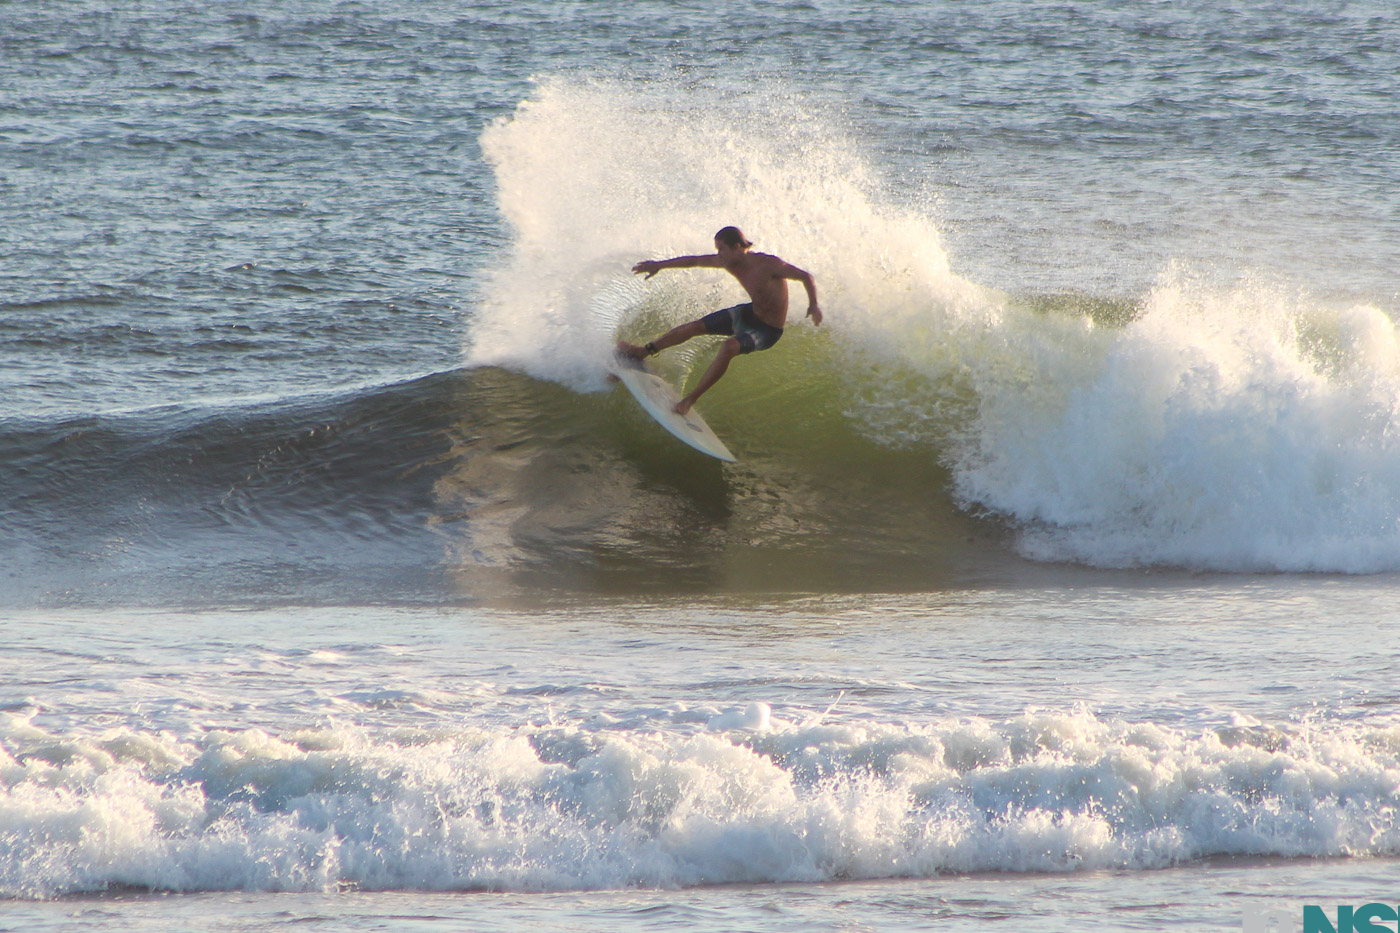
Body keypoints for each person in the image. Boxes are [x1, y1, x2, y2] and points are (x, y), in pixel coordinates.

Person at [617, 226, 822, 415]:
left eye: (721, 249)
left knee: (729, 347)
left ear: (738, 247)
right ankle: (642, 352)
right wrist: (659, 265)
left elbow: (806, 276)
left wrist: (813, 304)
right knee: (696, 326)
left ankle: (690, 400)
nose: (718, 255)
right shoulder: (728, 262)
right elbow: (694, 261)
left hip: (768, 330)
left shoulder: (769, 265)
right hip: (749, 314)